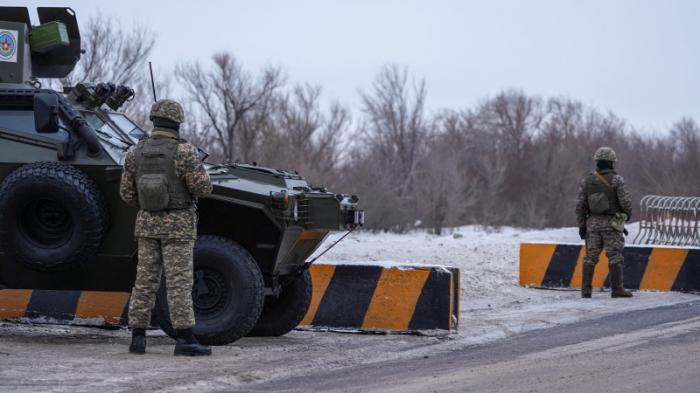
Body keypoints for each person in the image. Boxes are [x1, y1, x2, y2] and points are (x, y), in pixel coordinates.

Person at [119, 99, 213, 356]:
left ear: (154, 121)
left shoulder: (134, 152)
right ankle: (184, 339)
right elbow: (204, 188)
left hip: (147, 225)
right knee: (179, 282)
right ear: (177, 123)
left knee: (144, 280)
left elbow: (127, 194)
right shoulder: (184, 152)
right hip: (178, 228)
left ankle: (137, 338)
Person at [575, 147, 633, 299]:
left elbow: (580, 206)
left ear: (597, 162)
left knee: (590, 257)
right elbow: (625, 202)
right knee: (615, 256)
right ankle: (617, 289)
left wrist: (582, 225)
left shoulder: (587, 180)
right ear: (611, 162)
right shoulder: (617, 179)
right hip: (612, 225)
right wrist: (626, 216)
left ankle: (586, 291)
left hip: (592, 225)